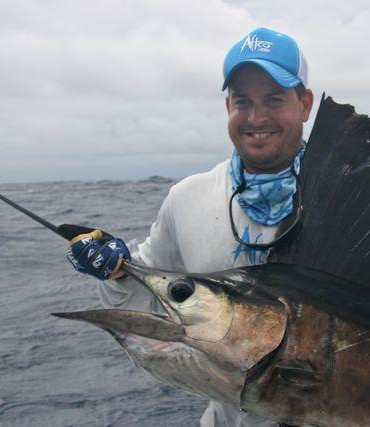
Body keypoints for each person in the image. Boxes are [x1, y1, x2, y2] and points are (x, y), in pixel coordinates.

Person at [66, 27, 314, 427]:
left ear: (304, 104)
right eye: (242, 101)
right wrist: (116, 272)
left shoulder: (352, 197)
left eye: (274, 100)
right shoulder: (187, 198)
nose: (256, 117)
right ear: (226, 106)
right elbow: (139, 298)